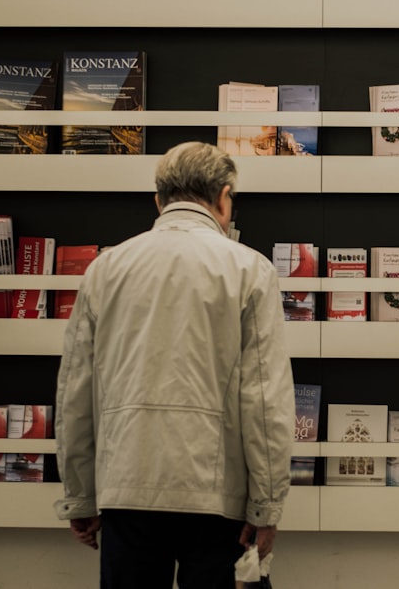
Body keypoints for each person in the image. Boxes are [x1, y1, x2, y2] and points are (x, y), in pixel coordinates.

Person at [54, 141, 295, 588]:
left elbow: (75, 392)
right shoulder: (249, 270)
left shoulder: (106, 269)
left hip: (127, 488)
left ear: (159, 199)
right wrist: (266, 506)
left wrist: (80, 496)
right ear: (224, 197)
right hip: (217, 495)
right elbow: (265, 401)